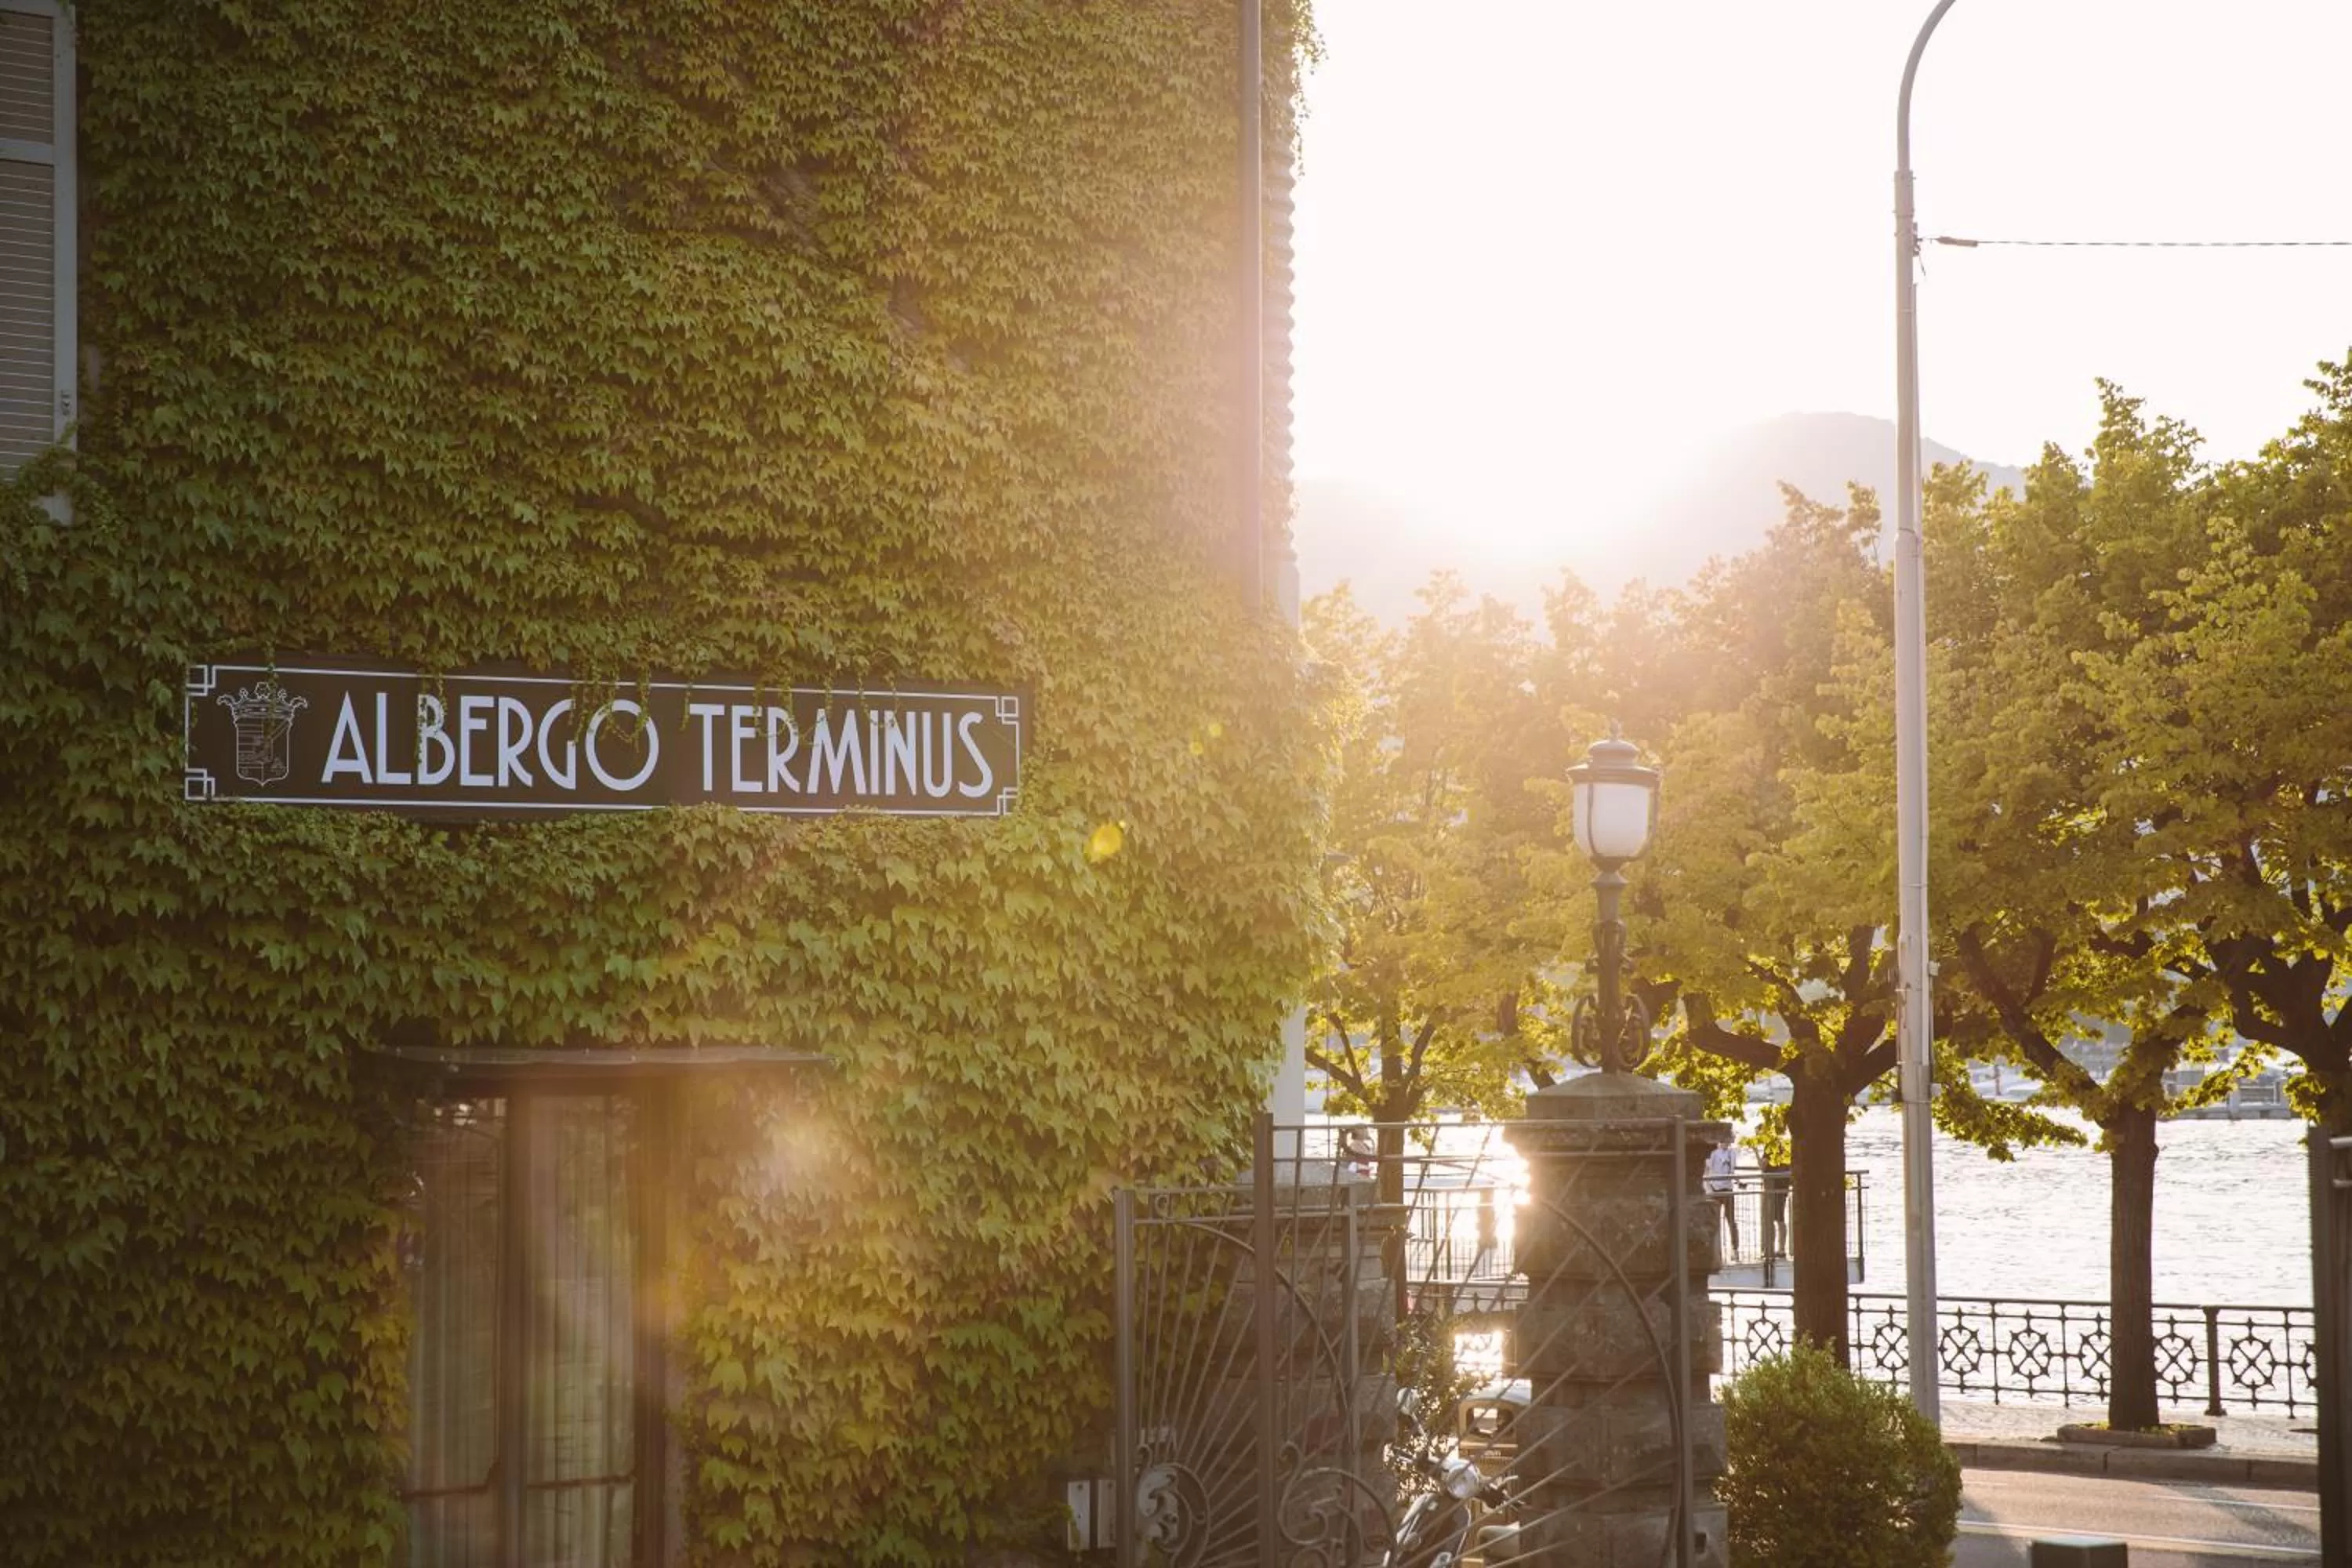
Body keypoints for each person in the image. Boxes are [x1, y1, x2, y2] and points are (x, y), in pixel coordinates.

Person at [1703, 1142, 1740, 1258]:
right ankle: (1714, 1250)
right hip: (1715, 1189)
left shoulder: (1732, 1153)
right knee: (1714, 1221)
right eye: (1722, 1141)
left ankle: (1735, 1249)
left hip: (1728, 1189)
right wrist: (1709, 1187)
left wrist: (1738, 1181)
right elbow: (1708, 1169)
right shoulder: (1713, 1153)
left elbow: (1732, 1170)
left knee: (1731, 1220)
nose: (1725, 1143)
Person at [1761, 1152, 1792, 1261]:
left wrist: (1755, 1151)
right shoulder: (1786, 1146)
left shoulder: (1769, 1147)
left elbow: (1762, 1166)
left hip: (1772, 1187)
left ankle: (1770, 1249)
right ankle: (1781, 1249)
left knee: (1770, 1219)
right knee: (1780, 1218)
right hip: (1783, 1187)